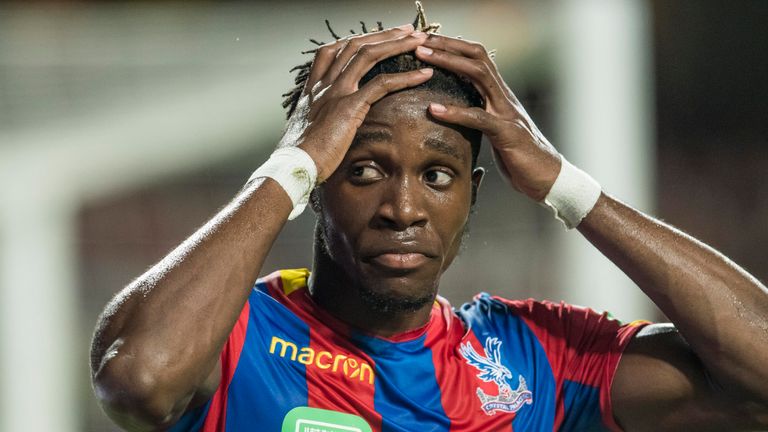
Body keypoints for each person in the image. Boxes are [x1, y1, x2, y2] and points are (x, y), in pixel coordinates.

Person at [90, 6, 768, 432]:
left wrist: (568, 187)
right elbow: (138, 380)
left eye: (437, 176)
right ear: (319, 184)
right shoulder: (236, 334)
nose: (404, 209)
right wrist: (290, 163)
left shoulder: (533, 359)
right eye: (362, 171)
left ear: (472, 192)